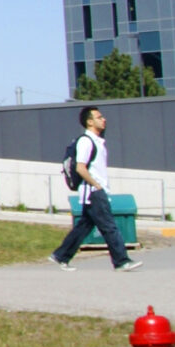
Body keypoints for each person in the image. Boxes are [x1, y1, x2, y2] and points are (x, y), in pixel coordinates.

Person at [51, 106, 140, 272]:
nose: (103, 119)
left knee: (84, 226)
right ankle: (121, 261)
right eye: (99, 117)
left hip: (96, 191)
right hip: (93, 192)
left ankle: (61, 255)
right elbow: (80, 168)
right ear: (89, 122)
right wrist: (96, 185)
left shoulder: (98, 142)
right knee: (109, 226)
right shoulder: (86, 141)